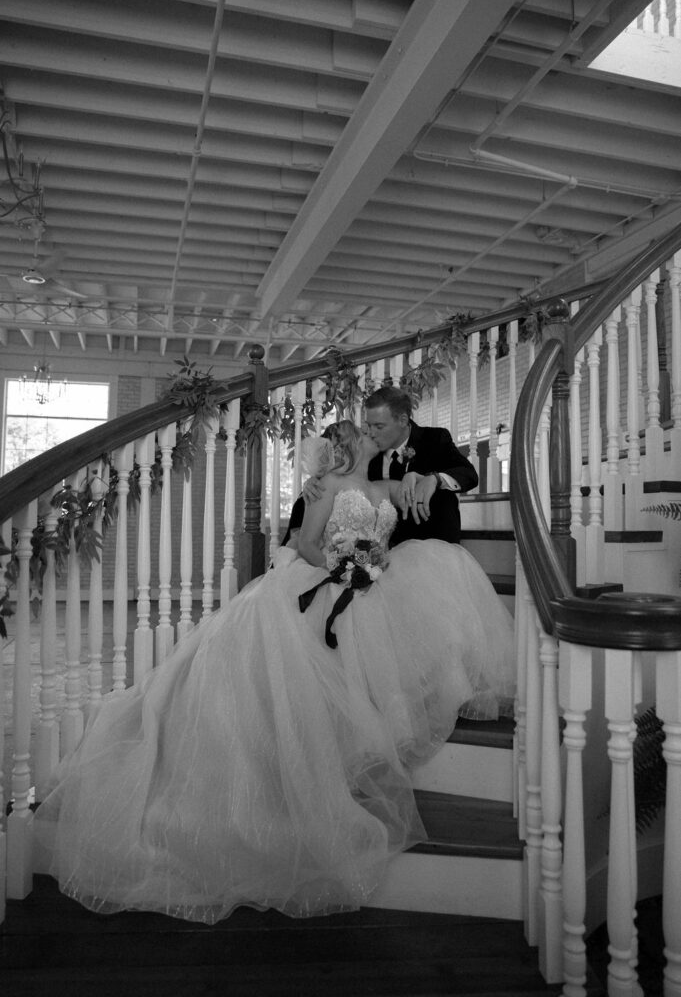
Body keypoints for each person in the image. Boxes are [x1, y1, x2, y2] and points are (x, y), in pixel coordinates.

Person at [33, 421, 514, 925]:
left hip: (371, 582)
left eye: (377, 429)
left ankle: (341, 756)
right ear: (351, 446)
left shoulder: (386, 484)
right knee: (298, 670)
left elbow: (421, 493)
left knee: (417, 607)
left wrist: (428, 485)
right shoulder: (325, 488)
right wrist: (344, 567)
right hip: (330, 577)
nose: (376, 436)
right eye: (367, 433)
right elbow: (307, 541)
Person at [300, 388, 477, 548]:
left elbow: (469, 474)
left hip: (434, 548)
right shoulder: (368, 453)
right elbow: (338, 490)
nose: (371, 432)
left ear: (402, 420)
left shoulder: (435, 439)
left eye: (379, 426)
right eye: (368, 425)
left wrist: (434, 479)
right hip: (386, 560)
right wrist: (314, 479)